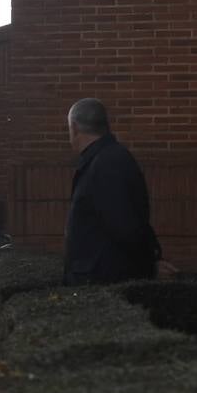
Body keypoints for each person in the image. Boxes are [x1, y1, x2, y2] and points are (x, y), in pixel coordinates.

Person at [64, 97, 167, 284]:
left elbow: (124, 224)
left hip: (102, 278)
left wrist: (150, 264)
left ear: (75, 127)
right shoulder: (109, 159)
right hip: (101, 273)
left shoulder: (105, 164)